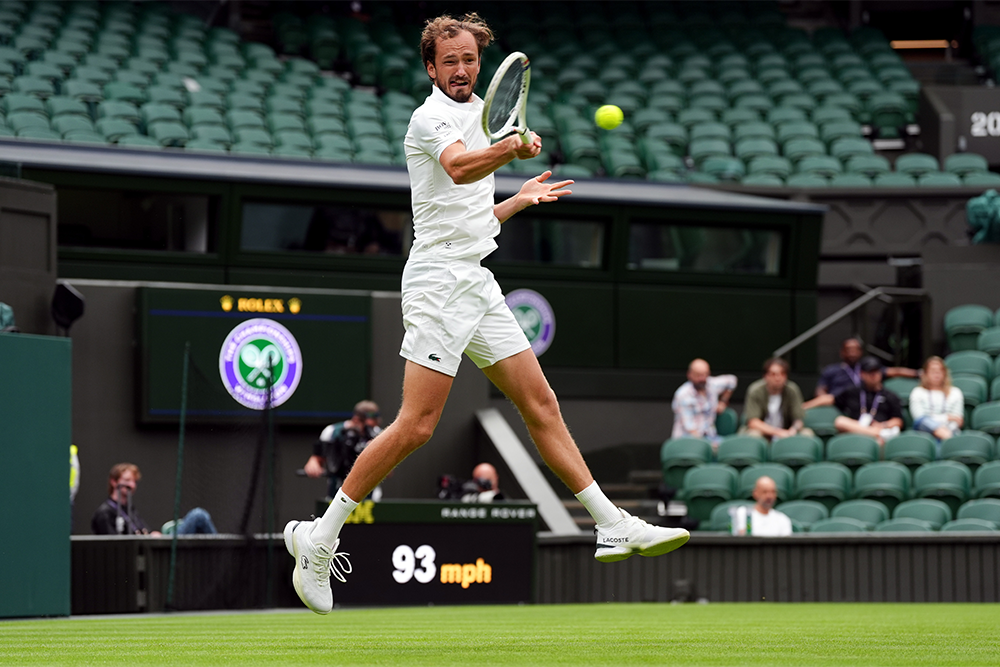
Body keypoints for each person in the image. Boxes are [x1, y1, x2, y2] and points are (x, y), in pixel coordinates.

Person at [283, 12, 689, 616]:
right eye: (449, 61)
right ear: (431, 68)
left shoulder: (480, 117)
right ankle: (321, 537)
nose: (461, 70)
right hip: (437, 283)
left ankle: (612, 524)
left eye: (469, 60)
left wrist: (517, 199)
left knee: (541, 404)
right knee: (417, 427)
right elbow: (457, 167)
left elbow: (471, 210)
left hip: (476, 278)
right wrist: (507, 151)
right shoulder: (429, 119)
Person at [91, 462, 216, 536]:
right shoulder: (105, 513)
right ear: (114, 482)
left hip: (154, 545)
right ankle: (223, 557)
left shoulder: (129, 508)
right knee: (198, 515)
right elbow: (113, 545)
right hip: (146, 551)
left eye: (134, 482)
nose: (132, 485)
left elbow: (144, 531)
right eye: (127, 480)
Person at [804, 337, 918, 409]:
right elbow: (820, 392)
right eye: (848, 350)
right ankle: (801, 409)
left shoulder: (868, 368)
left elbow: (895, 371)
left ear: (861, 352)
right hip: (839, 401)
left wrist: (918, 374)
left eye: (855, 350)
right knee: (826, 399)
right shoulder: (831, 370)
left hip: (864, 401)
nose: (852, 353)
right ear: (841, 352)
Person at [303, 400, 383, 500]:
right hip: (336, 493)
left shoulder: (380, 435)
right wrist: (313, 465)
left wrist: (377, 453)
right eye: (367, 425)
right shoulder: (332, 432)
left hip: (370, 498)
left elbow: (389, 472)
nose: (370, 429)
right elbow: (316, 458)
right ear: (356, 419)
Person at [833, 357, 904, 445]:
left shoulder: (890, 396)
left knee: (880, 442)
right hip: (856, 432)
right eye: (870, 372)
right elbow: (830, 399)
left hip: (878, 436)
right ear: (861, 374)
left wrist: (882, 425)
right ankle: (878, 433)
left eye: (876, 371)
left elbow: (898, 421)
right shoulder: (852, 392)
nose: (873, 375)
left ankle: (877, 433)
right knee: (840, 421)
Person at [671, 358, 737, 447]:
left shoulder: (711, 384)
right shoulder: (683, 395)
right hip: (687, 440)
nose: (702, 378)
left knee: (732, 447)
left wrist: (723, 401)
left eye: (705, 374)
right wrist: (709, 446)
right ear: (689, 375)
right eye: (698, 375)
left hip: (711, 436)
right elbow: (690, 429)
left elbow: (732, 380)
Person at [743, 358, 810, 441]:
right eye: (773, 374)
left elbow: (798, 419)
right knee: (754, 435)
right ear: (766, 376)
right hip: (763, 432)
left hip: (786, 430)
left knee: (807, 434)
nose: (778, 378)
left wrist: (793, 430)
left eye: (782, 374)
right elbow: (753, 422)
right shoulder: (755, 391)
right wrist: (778, 432)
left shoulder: (792, 390)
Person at [909, 356, 964, 443]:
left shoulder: (955, 392)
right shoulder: (917, 392)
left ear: (945, 373)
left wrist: (943, 427)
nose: (937, 374)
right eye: (933, 371)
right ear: (926, 374)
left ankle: (946, 438)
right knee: (922, 421)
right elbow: (919, 418)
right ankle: (947, 438)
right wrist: (947, 418)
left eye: (940, 371)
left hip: (949, 430)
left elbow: (958, 420)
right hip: (924, 432)